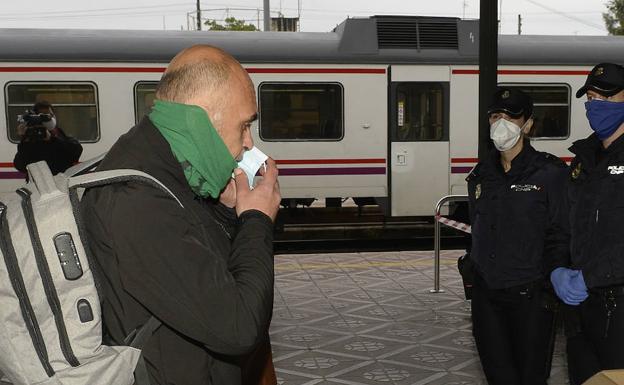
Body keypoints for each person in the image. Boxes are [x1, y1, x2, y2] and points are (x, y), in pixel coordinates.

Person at [81, 45, 281, 385]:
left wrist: (227, 211)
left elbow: (207, 274)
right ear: (204, 118)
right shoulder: (136, 199)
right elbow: (238, 326)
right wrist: (256, 220)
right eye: (244, 125)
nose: (249, 143)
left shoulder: (163, 167)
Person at [466, 88, 569, 385]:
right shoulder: (481, 174)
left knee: (530, 377)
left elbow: (561, 233)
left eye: (511, 116)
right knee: (498, 376)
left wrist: (554, 278)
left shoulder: (550, 173)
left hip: (531, 297)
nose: (502, 122)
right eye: (496, 116)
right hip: (487, 296)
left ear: (527, 125)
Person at [552, 62, 624, 385]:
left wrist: (590, 277)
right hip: (581, 314)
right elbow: (562, 228)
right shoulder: (582, 161)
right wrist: (556, 269)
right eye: (592, 97)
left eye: (608, 99)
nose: (597, 105)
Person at [13, 101, 83, 176]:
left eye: (49, 116)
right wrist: (24, 141)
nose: (48, 119)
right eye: (43, 117)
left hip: (62, 181)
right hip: (39, 183)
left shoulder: (61, 137)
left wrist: (52, 139)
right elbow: (20, 166)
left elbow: (75, 154)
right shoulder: (31, 140)